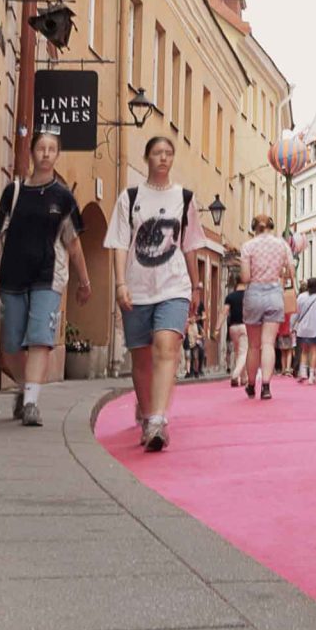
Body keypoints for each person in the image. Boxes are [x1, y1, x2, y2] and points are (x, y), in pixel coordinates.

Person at [0, 127, 92, 429]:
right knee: (11, 346)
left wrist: (84, 281)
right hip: (12, 276)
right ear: (32, 152)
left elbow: (73, 244)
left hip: (48, 276)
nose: (45, 154)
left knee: (41, 340)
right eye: (40, 148)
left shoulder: (63, 197)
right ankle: (24, 386)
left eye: (51, 149)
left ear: (57, 155)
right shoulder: (14, 192)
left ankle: (31, 402)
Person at [106, 135, 206, 452]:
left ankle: (157, 420)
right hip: (137, 287)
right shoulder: (130, 197)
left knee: (166, 346)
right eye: (157, 153)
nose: (163, 158)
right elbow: (120, 243)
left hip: (173, 285)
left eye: (168, 153)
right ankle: (147, 409)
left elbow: (189, 247)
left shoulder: (185, 199)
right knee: (142, 357)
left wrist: (196, 285)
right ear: (147, 157)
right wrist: (120, 283)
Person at [238, 215, 293, 399]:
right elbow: (290, 271)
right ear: (271, 226)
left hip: (254, 293)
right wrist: (279, 273)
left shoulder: (248, 246)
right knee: (268, 343)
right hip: (274, 294)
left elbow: (245, 278)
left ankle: (252, 385)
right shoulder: (282, 245)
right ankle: (267, 386)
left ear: (254, 228)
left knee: (254, 346)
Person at [294, 278, 316, 382]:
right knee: (314, 351)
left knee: (304, 350)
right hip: (315, 328)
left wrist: (292, 325)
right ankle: (312, 375)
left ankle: (303, 372)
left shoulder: (301, 297)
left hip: (302, 328)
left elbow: (296, 312)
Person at [225, 276, 248, 387]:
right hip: (245, 326)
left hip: (233, 327)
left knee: (238, 352)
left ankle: (244, 379)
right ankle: (235, 375)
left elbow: (223, 312)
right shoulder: (249, 296)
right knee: (244, 353)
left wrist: (217, 327)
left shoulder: (230, 296)